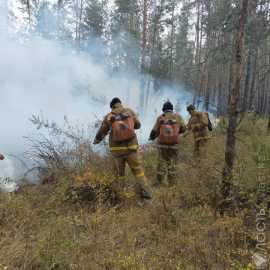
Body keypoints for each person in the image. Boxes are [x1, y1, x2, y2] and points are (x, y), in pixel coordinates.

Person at [93, 98, 151, 200]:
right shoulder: (130, 111)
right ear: (120, 104)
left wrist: (97, 140)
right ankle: (144, 191)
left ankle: (120, 195)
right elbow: (138, 125)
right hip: (131, 149)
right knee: (138, 171)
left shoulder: (109, 116)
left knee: (119, 174)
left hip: (117, 151)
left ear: (112, 106)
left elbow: (102, 131)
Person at [149, 101, 186, 185]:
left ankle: (159, 182)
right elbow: (184, 128)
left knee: (161, 163)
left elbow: (155, 130)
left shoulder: (160, 117)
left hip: (162, 145)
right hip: (174, 145)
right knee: (173, 164)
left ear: (164, 110)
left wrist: (152, 137)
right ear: (172, 109)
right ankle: (172, 183)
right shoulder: (178, 116)